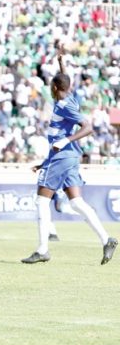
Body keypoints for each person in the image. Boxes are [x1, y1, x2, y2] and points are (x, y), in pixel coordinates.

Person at [21, 51, 117, 265]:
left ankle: (43, 249)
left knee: (41, 200)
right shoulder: (69, 98)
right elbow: (66, 82)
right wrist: (60, 61)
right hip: (66, 157)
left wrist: (65, 141)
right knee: (76, 202)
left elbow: (88, 127)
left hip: (62, 156)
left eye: (51, 86)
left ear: (54, 88)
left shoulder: (64, 105)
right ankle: (106, 238)